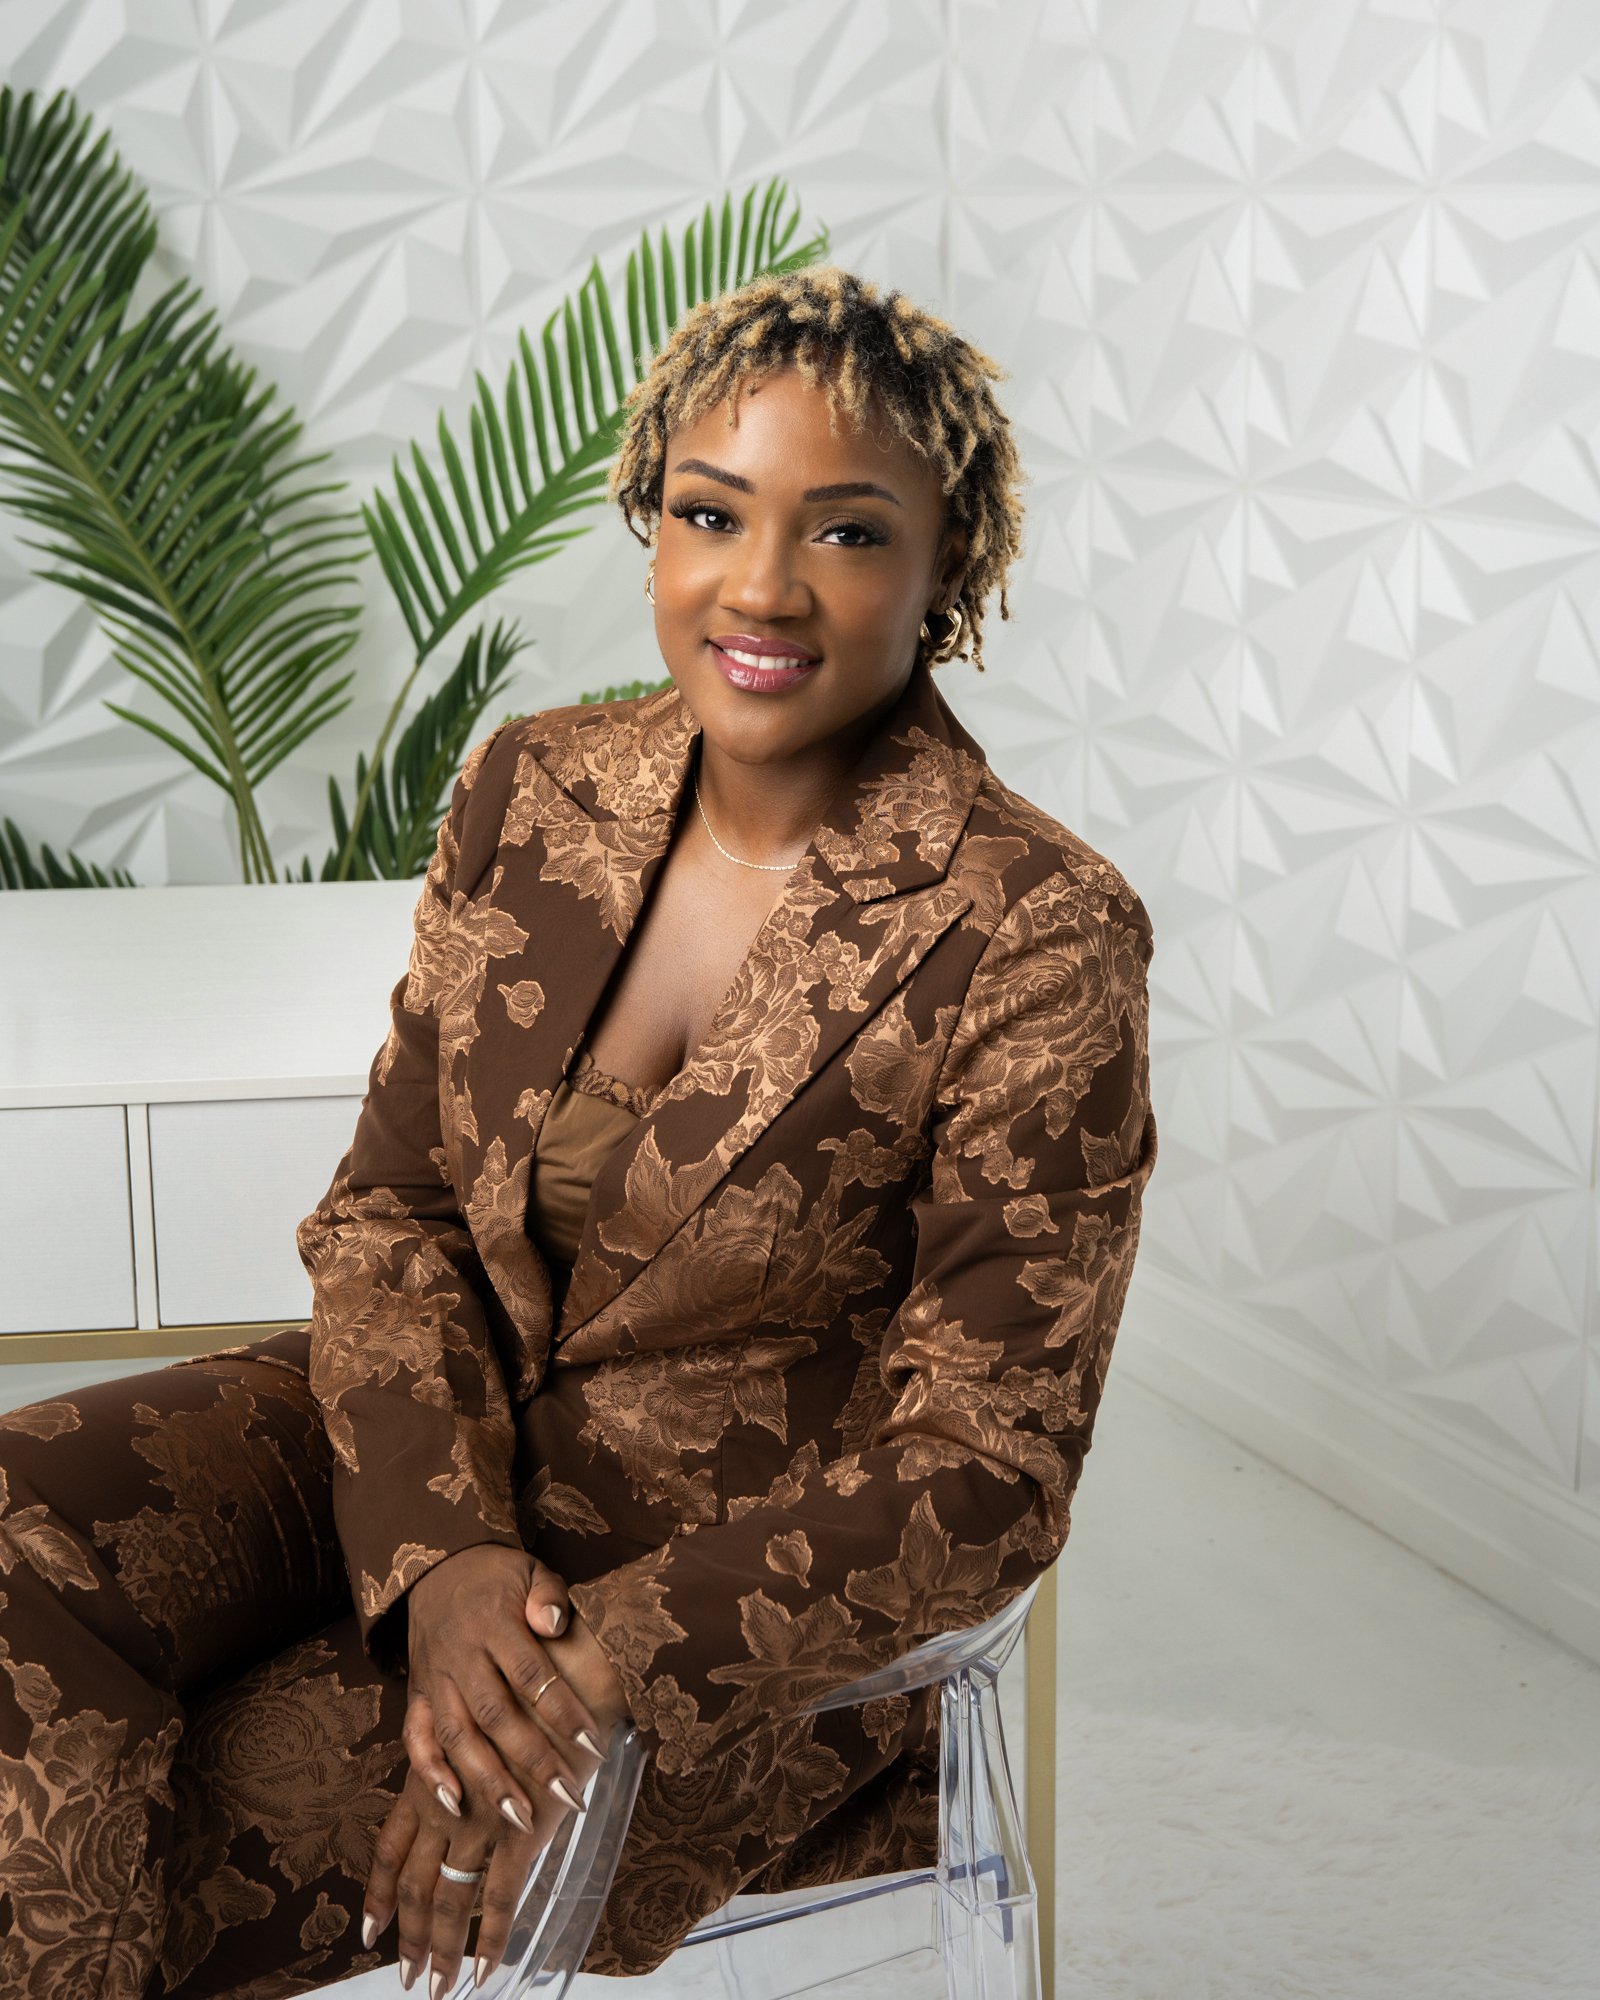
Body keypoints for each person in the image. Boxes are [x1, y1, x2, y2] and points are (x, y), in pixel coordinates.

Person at [0, 264, 1157, 1998]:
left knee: (145, 1822)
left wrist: (600, 1657)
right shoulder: (530, 788)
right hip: (404, 1440)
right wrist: (446, 1548)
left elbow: (988, 1465)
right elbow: (391, 1216)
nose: (759, 588)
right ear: (654, 522)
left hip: (697, 1597)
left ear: (949, 567)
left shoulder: (1037, 928)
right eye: (713, 513)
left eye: (845, 533)